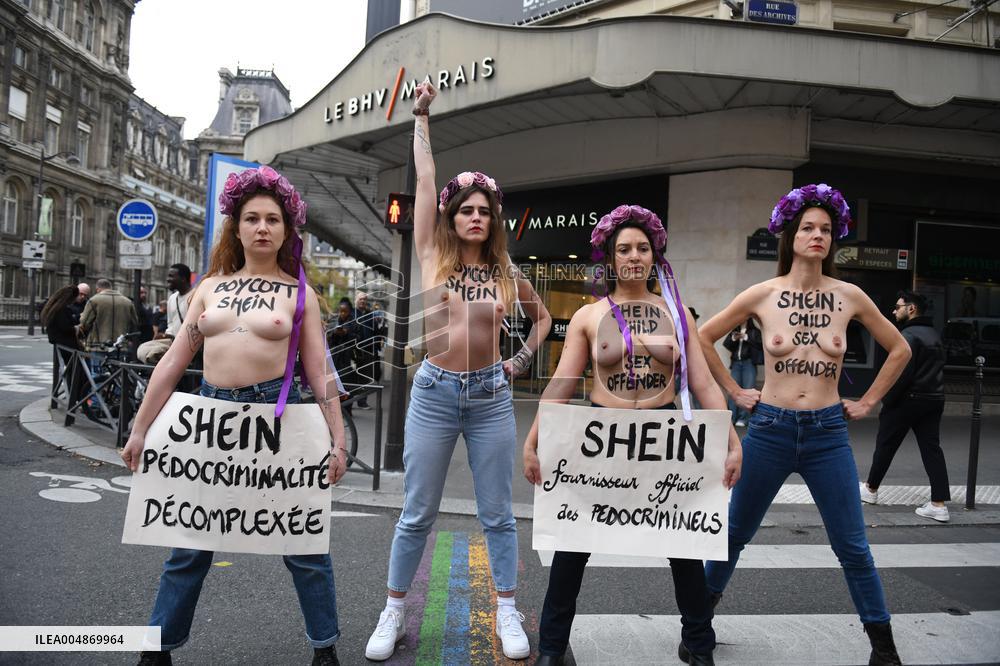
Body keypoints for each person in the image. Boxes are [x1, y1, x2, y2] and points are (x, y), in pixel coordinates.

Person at [120, 165, 348, 666]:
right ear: (237, 227)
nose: (262, 227)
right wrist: (140, 429)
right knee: (188, 544)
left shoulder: (300, 294)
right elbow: (174, 361)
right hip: (210, 418)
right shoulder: (209, 288)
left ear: (287, 230)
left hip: (278, 421)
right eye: (252, 218)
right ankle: (157, 649)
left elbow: (321, 372)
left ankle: (324, 647)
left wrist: (339, 439)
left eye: (272, 218)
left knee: (303, 546)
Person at [364, 82, 551, 662]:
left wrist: (519, 361)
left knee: (497, 511)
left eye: (484, 211)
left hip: (492, 393)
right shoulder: (430, 255)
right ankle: (393, 610)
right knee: (417, 510)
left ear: (494, 219)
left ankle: (507, 609)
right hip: (435, 391)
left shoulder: (504, 270)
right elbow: (423, 181)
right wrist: (420, 118)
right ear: (452, 215)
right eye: (466, 209)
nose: (475, 217)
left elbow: (542, 319)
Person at [698, 184, 911, 666]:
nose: (818, 236)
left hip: (827, 435)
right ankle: (698, 629)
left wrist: (870, 400)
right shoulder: (763, 293)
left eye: (826, 230)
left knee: (852, 546)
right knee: (733, 535)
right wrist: (735, 392)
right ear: (790, 235)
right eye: (808, 228)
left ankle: (884, 648)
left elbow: (900, 349)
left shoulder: (849, 295)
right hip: (770, 429)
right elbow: (703, 336)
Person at [523, 205, 742, 666]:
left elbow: (702, 383)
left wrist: (729, 440)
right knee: (572, 547)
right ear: (610, 256)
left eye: (642, 247)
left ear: (655, 254)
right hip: (602, 436)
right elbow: (562, 382)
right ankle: (551, 648)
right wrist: (534, 437)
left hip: (667, 442)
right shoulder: (589, 316)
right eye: (624, 249)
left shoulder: (677, 312)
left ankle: (700, 648)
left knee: (684, 548)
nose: (634, 256)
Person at [861, 290, 950, 522]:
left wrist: (887, 401)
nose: (894, 311)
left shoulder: (907, 336)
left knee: (886, 445)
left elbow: (901, 374)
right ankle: (939, 504)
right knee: (932, 449)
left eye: (898, 306)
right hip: (934, 399)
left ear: (911, 309)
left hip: (907, 400)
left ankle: (870, 490)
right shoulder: (935, 334)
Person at [40, 285, 90, 423]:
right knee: (78, 373)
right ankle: (77, 403)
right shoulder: (61, 309)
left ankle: (75, 401)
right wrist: (76, 326)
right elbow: (65, 327)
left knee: (72, 373)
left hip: (61, 344)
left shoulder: (55, 306)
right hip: (67, 345)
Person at [137, 264, 193, 365]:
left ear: (183, 279)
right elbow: (171, 323)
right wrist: (165, 335)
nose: (167, 279)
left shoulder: (195, 296)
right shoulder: (172, 298)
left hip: (190, 347)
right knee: (143, 349)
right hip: (174, 343)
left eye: (171, 276)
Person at [78, 278, 139, 366]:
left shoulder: (94, 300)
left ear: (98, 289)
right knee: (117, 374)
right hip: (120, 346)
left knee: (97, 375)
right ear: (110, 287)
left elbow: (84, 322)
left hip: (98, 345)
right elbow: (135, 322)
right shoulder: (128, 302)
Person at [722, 318, 763, 427]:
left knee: (748, 390)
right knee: (732, 390)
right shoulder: (734, 331)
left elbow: (761, 344)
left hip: (749, 363)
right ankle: (731, 418)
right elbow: (726, 344)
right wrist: (733, 338)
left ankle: (743, 419)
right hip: (736, 363)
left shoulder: (754, 331)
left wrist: (746, 337)